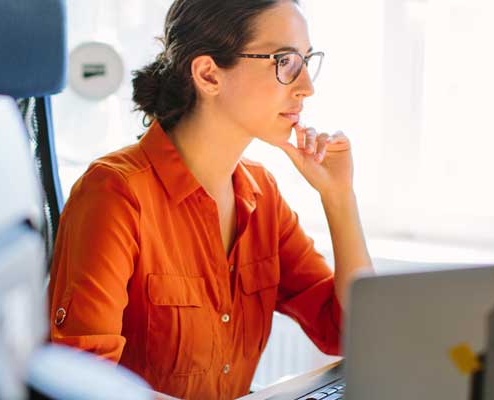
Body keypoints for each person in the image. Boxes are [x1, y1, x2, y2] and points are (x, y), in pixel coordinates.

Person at [47, 1, 373, 398]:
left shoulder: (261, 194)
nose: (307, 87)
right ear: (208, 75)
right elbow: (83, 386)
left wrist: (339, 196)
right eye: (285, 62)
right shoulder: (115, 195)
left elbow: (349, 334)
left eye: (307, 61)